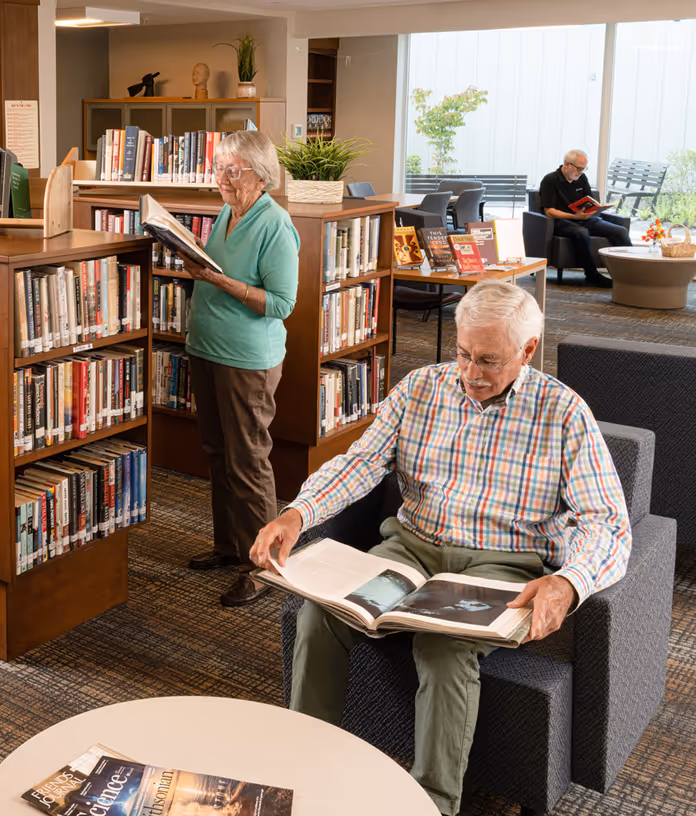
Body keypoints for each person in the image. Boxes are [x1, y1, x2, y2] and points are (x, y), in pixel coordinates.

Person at [251, 280, 631, 815]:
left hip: (502, 564)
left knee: (444, 647)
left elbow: (609, 524)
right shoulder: (420, 388)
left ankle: (431, 803)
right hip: (409, 551)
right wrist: (298, 512)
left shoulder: (564, 412)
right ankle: (304, 770)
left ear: (526, 352)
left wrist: (570, 582)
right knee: (319, 615)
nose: (471, 374)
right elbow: (361, 462)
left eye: (488, 360)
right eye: (463, 354)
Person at [177, 129, 300, 607]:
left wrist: (218, 280)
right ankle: (230, 546)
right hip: (207, 347)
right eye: (218, 168)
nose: (222, 179)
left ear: (260, 173)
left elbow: (282, 303)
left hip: (247, 360)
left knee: (248, 460)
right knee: (217, 452)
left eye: (232, 170)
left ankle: (264, 566)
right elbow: (217, 271)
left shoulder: (275, 224)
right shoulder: (228, 211)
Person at [538, 149, 631, 288]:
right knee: (581, 232)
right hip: (561, 222)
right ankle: (591, 275)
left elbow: (590, 201)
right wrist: (573, 216)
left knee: (620, 231)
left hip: (585, 219)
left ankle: (632, 273)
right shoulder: (550, 180)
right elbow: (549, 211)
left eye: (583, 169)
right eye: (579, 168)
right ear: (567, 164)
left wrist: (596, 209)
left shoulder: (581, 178)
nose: (581, 172)